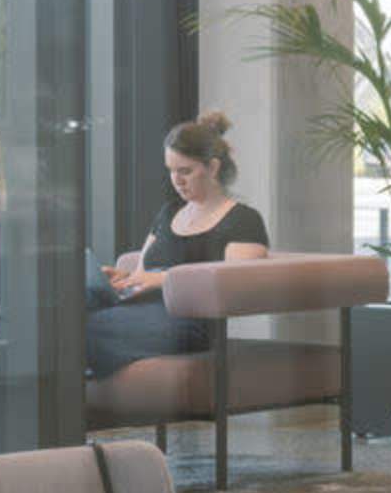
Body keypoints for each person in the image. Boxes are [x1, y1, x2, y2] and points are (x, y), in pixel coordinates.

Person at [84, 112, 272, 376]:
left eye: (185, 171)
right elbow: (143, 272)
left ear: (213, 167)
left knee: (82, 329)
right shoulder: (169, 212)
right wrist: (124, 278)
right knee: (70, 306)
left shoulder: (242, 220)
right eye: (171, 171)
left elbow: (235, 287)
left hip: (188, 322)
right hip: (143, 308)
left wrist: (162, 279)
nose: (176, 180)